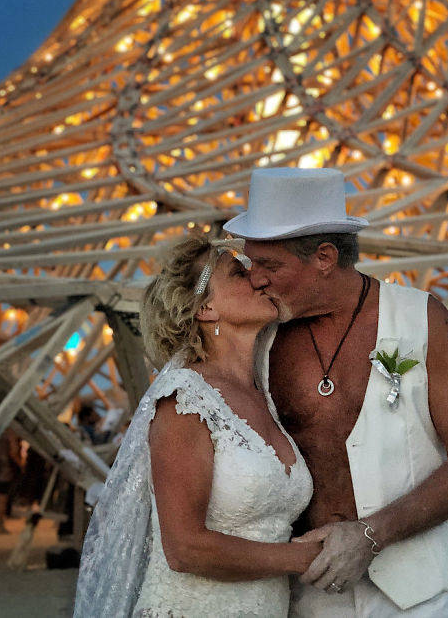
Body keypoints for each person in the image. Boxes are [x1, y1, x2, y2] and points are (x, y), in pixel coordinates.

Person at [223, 167, 448, 617]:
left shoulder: (420, 319)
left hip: (421, 599)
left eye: (270, 265)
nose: (255, 279)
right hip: (305, 597)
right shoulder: (260, 338)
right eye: (252, 263)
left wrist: (371, 535)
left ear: (325, 257)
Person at [73, 234, 317, 617]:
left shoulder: (263, 394)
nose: (259, 279)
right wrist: (300, 559)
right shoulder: (185, 401)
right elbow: (185, 548)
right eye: (239, 273)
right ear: (204, 308)